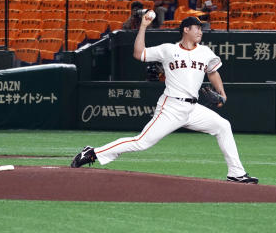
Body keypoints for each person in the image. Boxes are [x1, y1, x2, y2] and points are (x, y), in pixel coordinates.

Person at [70, 14, 258, 184]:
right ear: (186, 29)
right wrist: (143, 26)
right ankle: (93, 153)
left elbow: (213, 72)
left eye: (202, 28)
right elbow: (139, 54)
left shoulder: (205, 52)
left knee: (223, 126)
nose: (201, 31)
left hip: (193, 109)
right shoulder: (168, 50)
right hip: (171, 107)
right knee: (142, 142)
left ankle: (236, 173)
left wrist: (222, 94)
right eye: (197, 27)